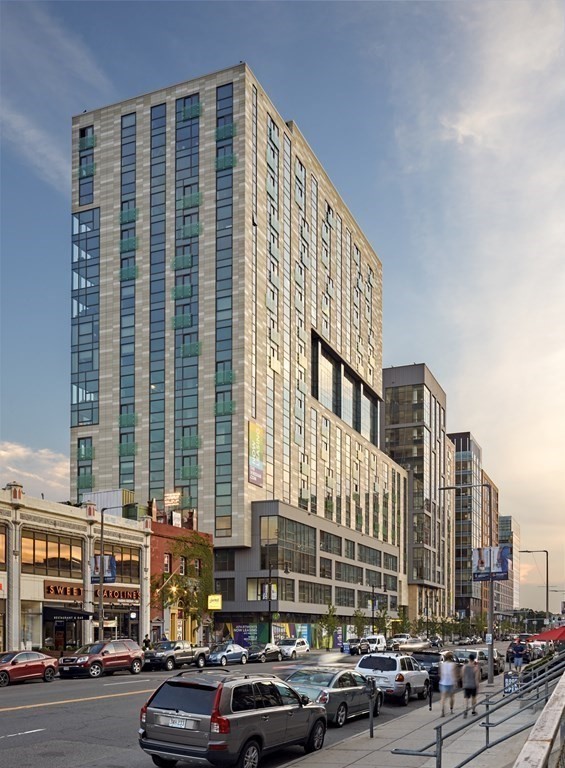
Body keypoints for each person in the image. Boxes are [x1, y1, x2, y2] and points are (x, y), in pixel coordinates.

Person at [439, 652, 459, 716]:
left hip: (443, 682)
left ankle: (442, 710)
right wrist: (455, 681)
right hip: (451, 683)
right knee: (452, 697)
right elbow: (454, 674)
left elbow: (440, 673)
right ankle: (451, 709)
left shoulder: (442, 664)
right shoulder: (453, 665)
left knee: (443, 697)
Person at [462, 653, 481, 717]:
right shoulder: (475, 668)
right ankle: (473, 710)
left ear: (469, 659)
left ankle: (466, 709)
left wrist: (463, 683)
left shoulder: (464, 667)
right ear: (474, 659)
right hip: (473, 685)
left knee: (466, 698)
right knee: (473, 698)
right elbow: (476, 678)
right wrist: (478, 686)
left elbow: (462, 676)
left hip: (466, 684)